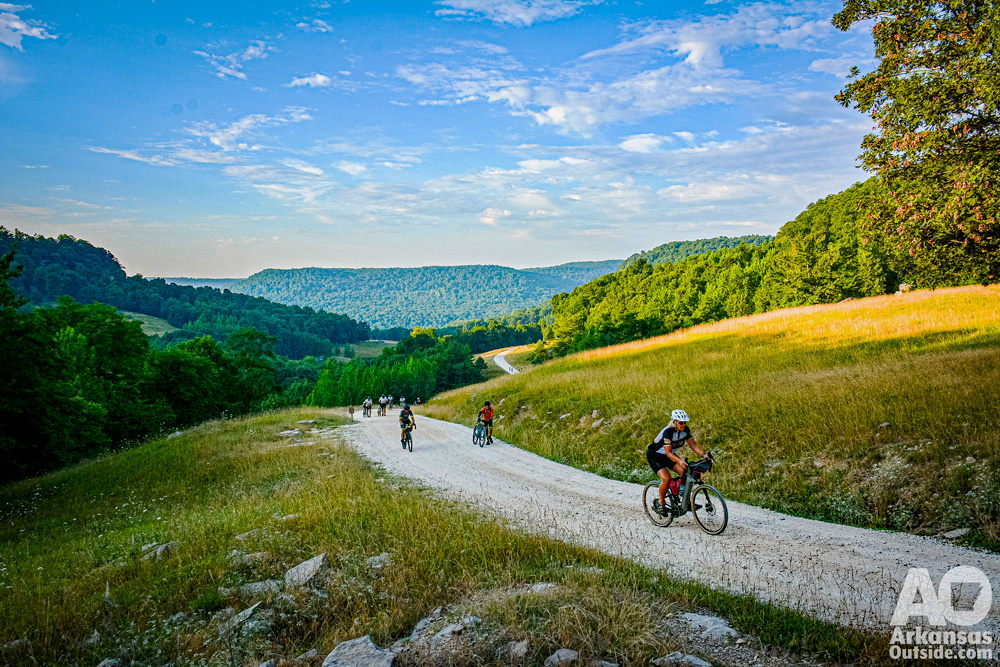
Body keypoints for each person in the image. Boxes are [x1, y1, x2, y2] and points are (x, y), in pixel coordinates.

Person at [646, 409, 709, 516]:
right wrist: (679, 461)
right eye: (681, 423)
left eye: (685, 423)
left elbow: (692, 444)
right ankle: (661, 503)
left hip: (669, 456)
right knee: (666, 478)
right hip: (655, 456)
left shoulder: (685, 430)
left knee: (686, 472)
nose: (683, 425)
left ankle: (684, 498)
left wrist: (703, 454)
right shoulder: (668, 432)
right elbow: (669, 453)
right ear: (674, 422)